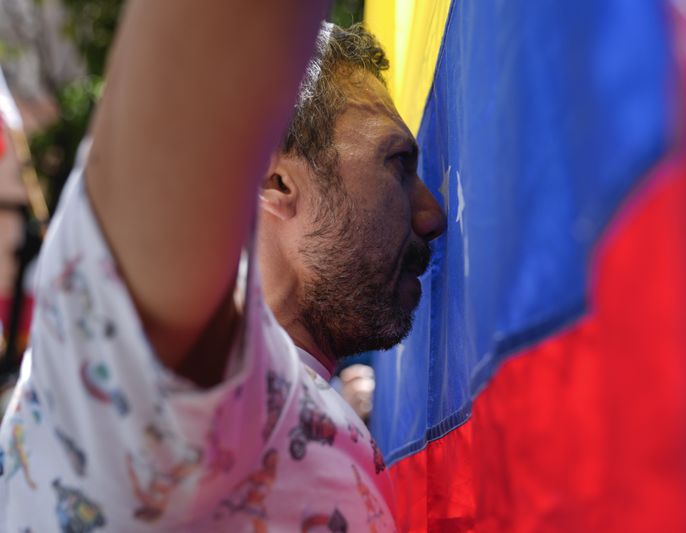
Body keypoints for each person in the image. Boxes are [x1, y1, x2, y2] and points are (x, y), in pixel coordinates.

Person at [0, 1, 446, 531]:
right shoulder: (152, 377)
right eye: (397, 164)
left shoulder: (255, 401)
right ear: (272, 181)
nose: (432, 215)